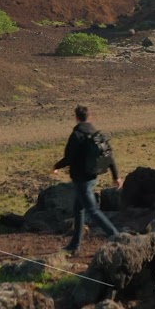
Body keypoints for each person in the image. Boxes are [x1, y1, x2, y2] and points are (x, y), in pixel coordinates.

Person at [52, 104, 123, 254]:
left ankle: (117, 237)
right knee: (78, 209)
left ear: (76, 117)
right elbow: (109, 156)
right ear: (89, 117)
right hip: (93, 177)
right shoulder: (97, 133)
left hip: (81, 180)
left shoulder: (77, 135)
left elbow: (69, 157)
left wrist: (56, 166)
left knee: (92, 211)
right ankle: (75, 246)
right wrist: (116, 176)